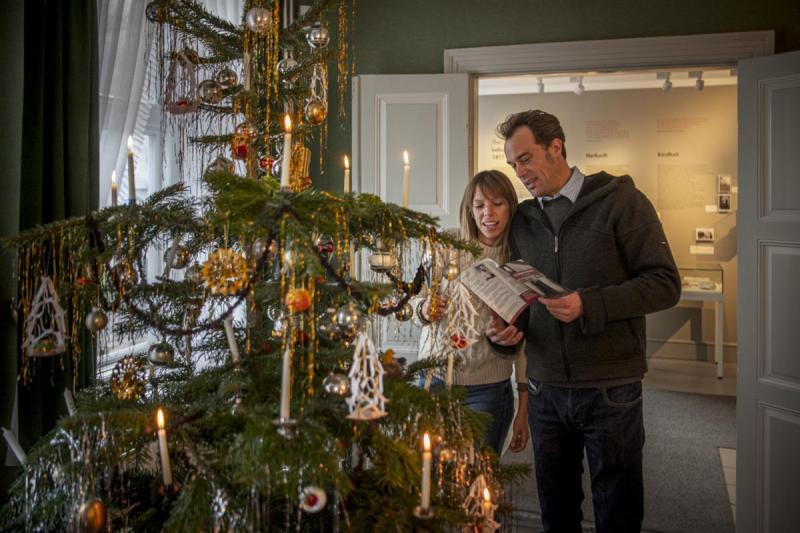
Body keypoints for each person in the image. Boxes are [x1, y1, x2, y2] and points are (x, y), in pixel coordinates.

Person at [488, 110, 681, 533]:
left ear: (556, 148)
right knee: (556, 513)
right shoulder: (522, 220)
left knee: (618, 512)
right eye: (513, 164)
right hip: (544, 391)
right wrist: (505, 336)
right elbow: (522, 303)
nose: (519, 172)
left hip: (610, 389)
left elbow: (665, 284)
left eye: (525, 159)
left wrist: (588, 304)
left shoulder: (623, 202)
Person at [417, 170, 529, 455]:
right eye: (479, 205)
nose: (488, 213)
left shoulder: (519, 261)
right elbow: (410, 298)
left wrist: (524, 409)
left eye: (497, 203)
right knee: (429, 475)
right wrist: (423, 310)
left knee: (479, 478)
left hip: (488, 388)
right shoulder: (445, 245)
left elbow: (528, 342)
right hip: (435, 381)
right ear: (470, 210)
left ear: (511, 207)